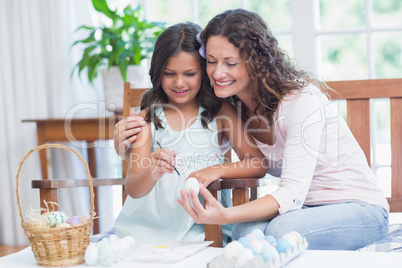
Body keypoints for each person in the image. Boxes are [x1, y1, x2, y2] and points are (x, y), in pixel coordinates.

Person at [114, 9, 389, 250]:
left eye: (230, 63)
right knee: (245, 232)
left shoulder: (301, 102)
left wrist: (223, 215)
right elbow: (186, 144)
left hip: (356, 208)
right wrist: (125, 149)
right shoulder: (229, 104)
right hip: (302, 209)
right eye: (211, 61)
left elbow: (289, 191)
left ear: (256, 62)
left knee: (280, 231)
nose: (218, 73)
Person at [114, 21, 267, 244]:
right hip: (144, 233)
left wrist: (216, 170)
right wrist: (151, 173)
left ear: (204, 72)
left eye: (189, 73)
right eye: (169, 73)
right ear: (158, 73)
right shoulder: (148, 118)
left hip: (203, 232)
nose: (179, 82)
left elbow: (258, 163)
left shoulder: (221, 112)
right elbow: (134, 189)